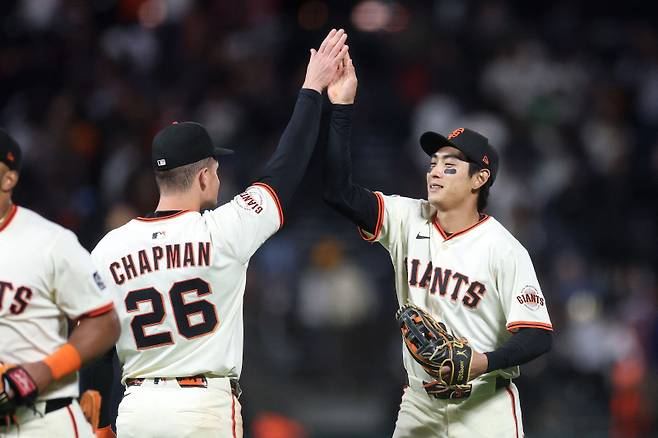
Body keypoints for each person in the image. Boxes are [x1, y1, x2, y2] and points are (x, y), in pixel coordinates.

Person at [89, 29, 349, 438]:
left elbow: (97, 349)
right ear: (206, 174)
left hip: (136, 407)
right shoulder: (224, 230)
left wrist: (102, 426)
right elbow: (284, 169)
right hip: (201, 406)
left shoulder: (109, 248)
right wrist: (312, 88)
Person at [322, 52, 553, 437]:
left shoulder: (504, 248)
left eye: (450, 166)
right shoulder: (405, 218)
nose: (435, 171)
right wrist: (341, 107)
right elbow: (337, 192)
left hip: (485, 408)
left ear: (479, 179)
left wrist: (482, 361)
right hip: (419, 404)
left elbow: (537, 335)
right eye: (433, 162)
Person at [0, 129, 120, 437]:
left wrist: (44, 370)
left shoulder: (50, 242)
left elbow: (104, 323)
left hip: (42, 419)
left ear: (8, 178)